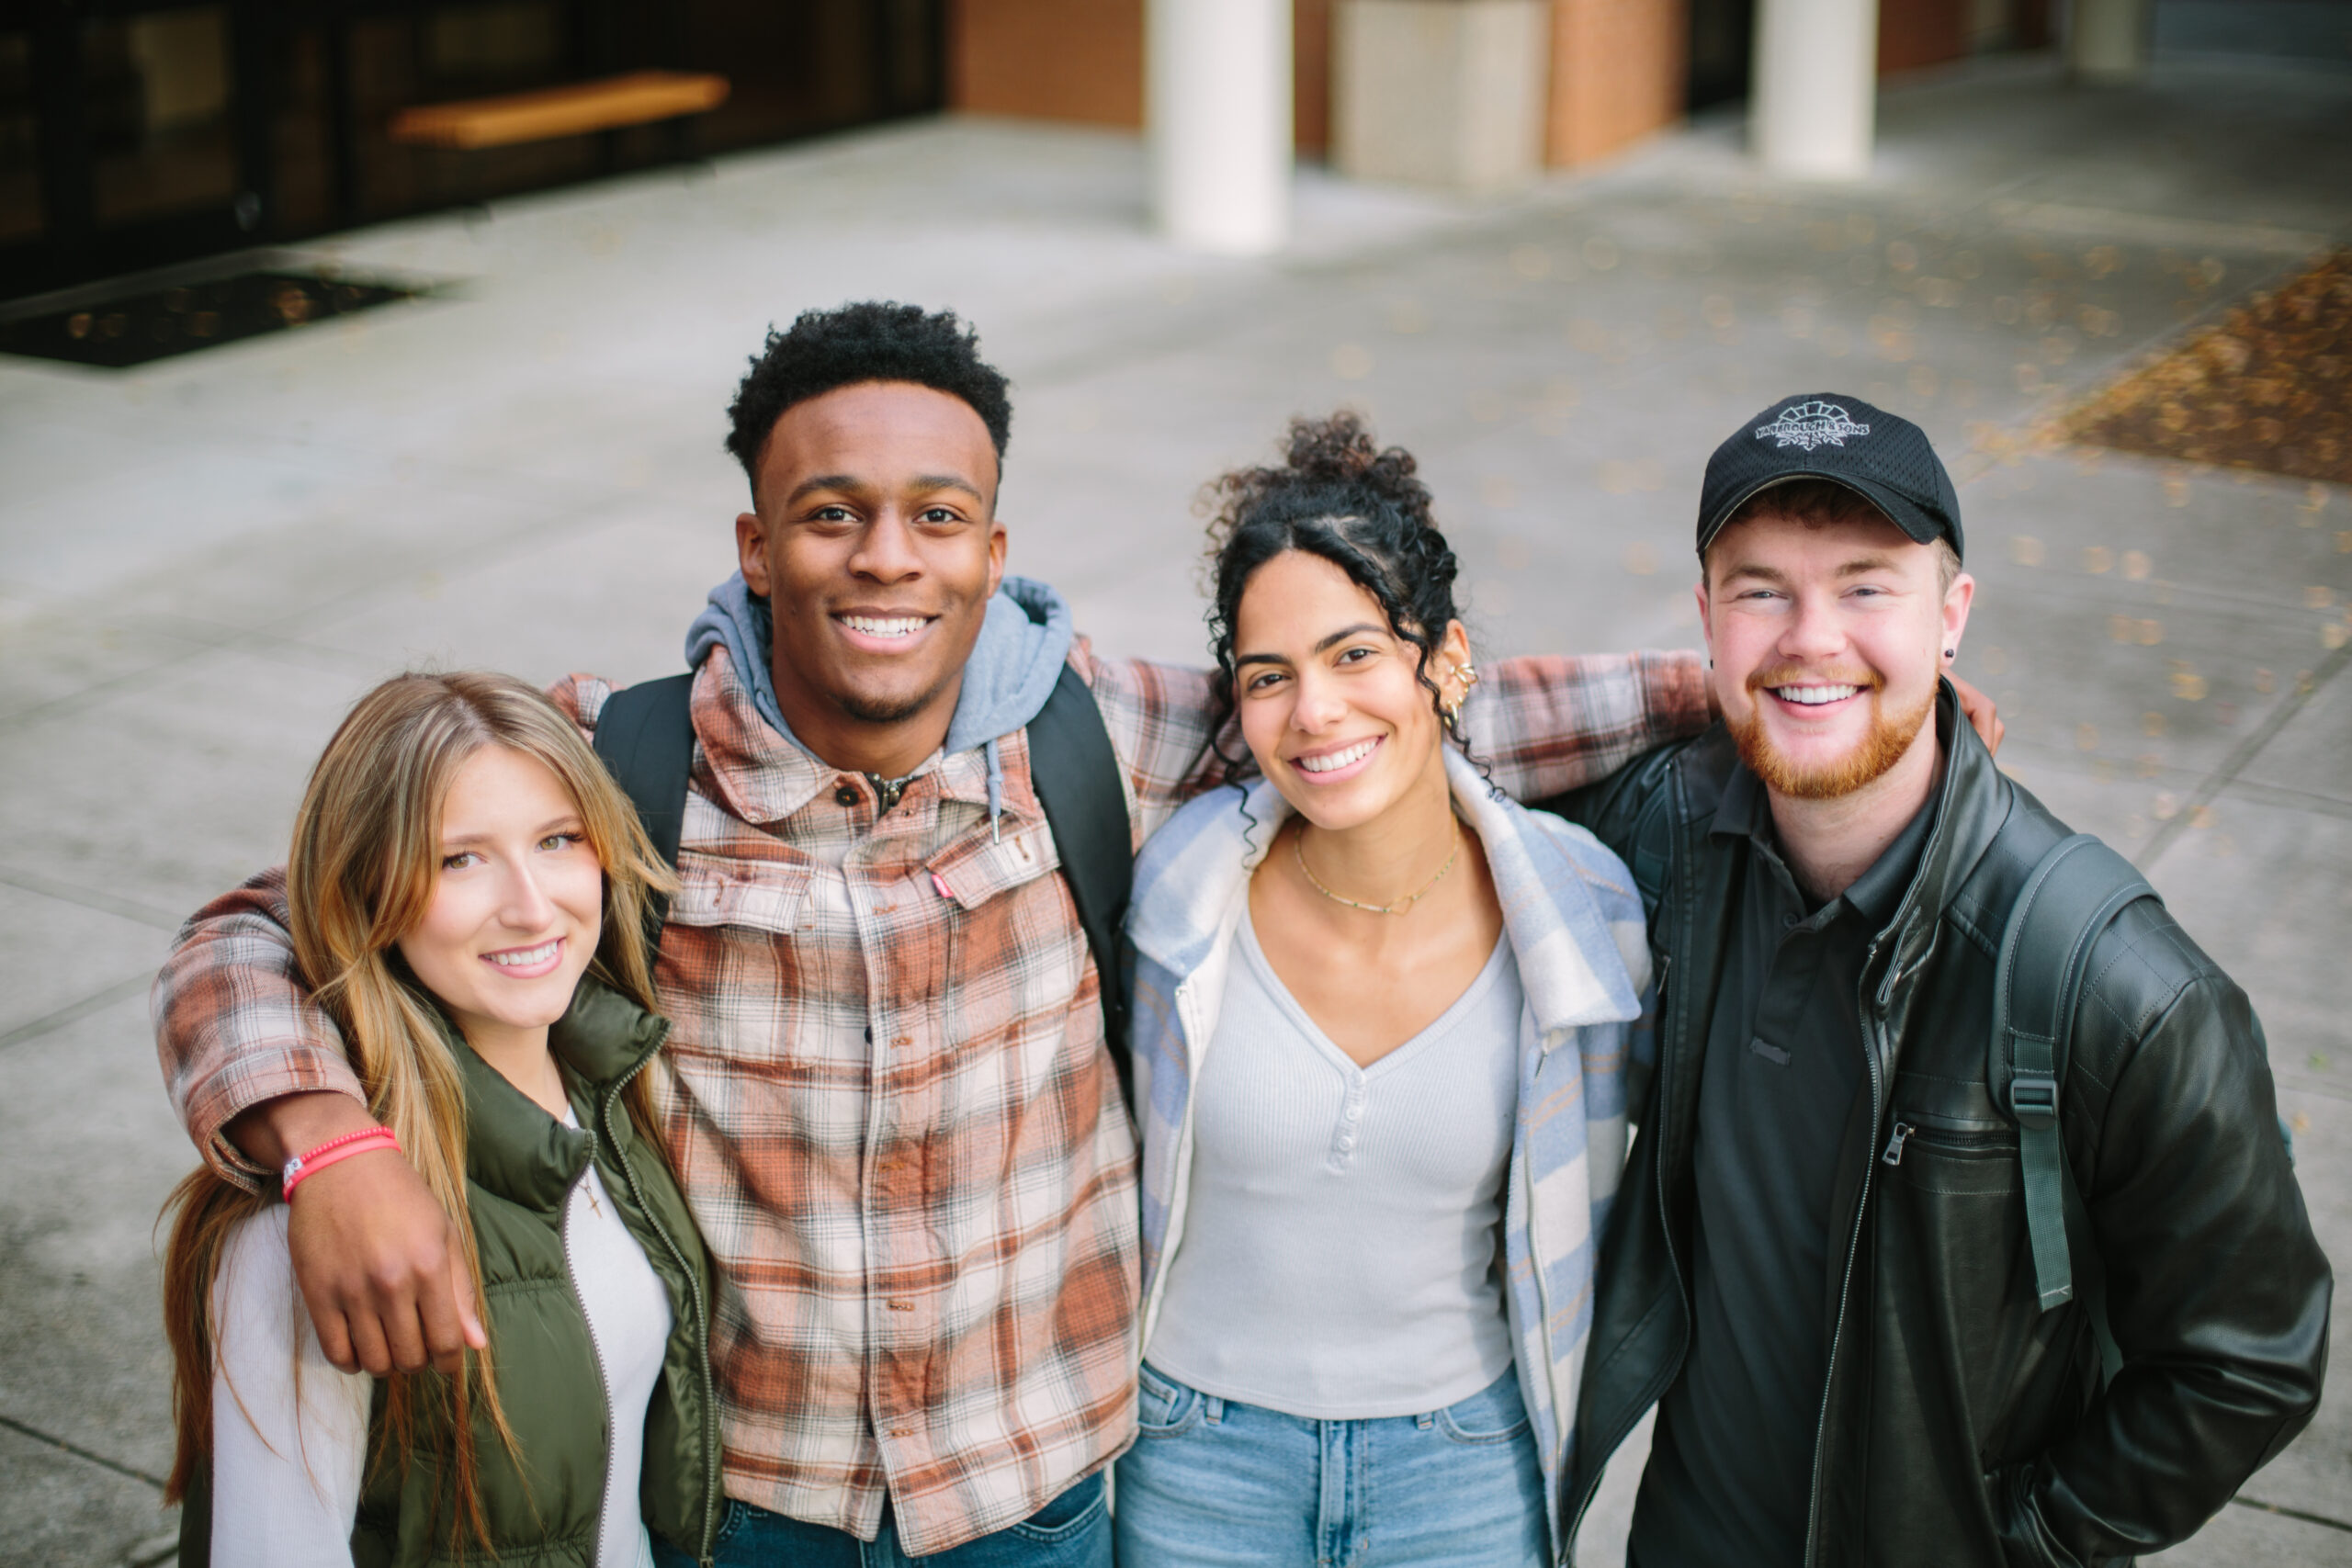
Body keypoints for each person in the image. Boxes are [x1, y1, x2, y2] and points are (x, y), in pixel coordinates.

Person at [153, 303, 1722, 1565]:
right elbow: (259, 923)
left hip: (1033, 1496)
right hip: (750, 1498)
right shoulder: (617, 768)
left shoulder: (1090, 735)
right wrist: (326, 1146)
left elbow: (1376, 709)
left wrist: (1746, 695)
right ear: (759, 545)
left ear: (991, 546)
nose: (887, 554)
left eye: (936, 515)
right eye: (832, 514)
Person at [1542, 393, 2332, 1567]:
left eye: (1866, 587)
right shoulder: (1661, 843)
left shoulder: (2115, 984)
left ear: (1950, 616)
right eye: (1762, 589)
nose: (1811, 637)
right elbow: (1378, 723)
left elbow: (2249, 1358)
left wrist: (2022, 1542)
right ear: (1703, 620)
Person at [1113, 414, 1653, 1568]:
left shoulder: (1580, 908)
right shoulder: (1176, 893)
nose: (1314, 712)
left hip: (1460, 1464)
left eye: (1355, 654)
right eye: (1270, 677)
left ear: (1446, 661)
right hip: (1194, 1455)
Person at [158, 671, 718, 1567]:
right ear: (368, 889)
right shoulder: (315, 1228)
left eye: (558, 840)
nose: (532, 906)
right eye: (460, 859)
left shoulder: (613, 1098)